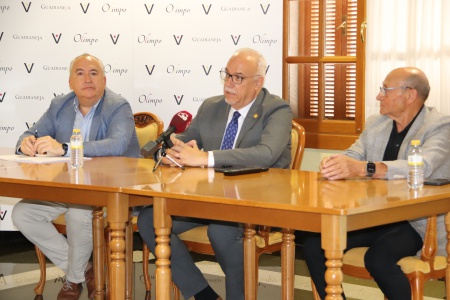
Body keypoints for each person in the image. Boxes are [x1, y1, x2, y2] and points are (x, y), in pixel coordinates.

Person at [137, 48, 293, 300]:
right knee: (149, 219)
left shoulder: (276, 109)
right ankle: (203, 295)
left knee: (221, 230)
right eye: (227, 75)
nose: (229, 83)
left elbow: (266, 154)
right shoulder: (211, 106)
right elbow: (186, 140)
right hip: (208, 198)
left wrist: (206, 158)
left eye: (238, 78)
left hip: (255, 199)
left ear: (258, 82)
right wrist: (173, 152)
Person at [303, 67, 450, 300]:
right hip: (376, 214)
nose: (378, 96)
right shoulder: (376, 123)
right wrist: (337, 163)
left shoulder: (439, 125)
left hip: (418, 222)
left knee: (378, 258)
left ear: (410, 95)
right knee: (314, 246)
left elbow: (424, 166)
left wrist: (367, 168)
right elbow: (354, 154)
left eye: (385, 89)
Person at [12, 53, 140, 300]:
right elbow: (31, 132)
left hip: (109, 192)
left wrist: (66, 148)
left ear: (104, 79)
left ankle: (72, 280)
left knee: (79, 213)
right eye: (80, 73)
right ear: (70, 82)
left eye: (93, 73)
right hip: (67, 188)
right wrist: (24, 143)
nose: (87, 79)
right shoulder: (59, 104)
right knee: (23, 214)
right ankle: (85, 272)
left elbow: (117, 144)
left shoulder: (118, 106)